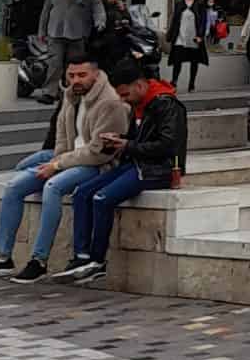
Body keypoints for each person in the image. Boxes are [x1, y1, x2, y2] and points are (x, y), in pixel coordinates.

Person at [0, 59, 129, 284]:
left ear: (96, 74)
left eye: (82, 75)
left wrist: (57, 166)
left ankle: (39, 261)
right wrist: (56, 161)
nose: (76, 81)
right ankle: (2, 258)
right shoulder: (70, 96)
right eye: (71, 75)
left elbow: (99, 152)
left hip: (97, 165)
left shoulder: (110, 102)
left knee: (52, 187)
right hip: (67, 159)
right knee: (15, 186)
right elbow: (62, 137)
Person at [60, 60, 189, 285]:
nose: (123, 100)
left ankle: (97, 261)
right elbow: (135, 140)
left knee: (102, 198)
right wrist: (117, 143)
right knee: (82, 193)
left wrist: (127, 146)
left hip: (159, 169)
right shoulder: (138, 106)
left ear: (139, 85)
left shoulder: (166, 105)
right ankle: (81, 257)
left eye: (126, 94)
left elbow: (168, 145)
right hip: (134, 163)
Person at [37, 0, 104, 99]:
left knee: (74, 67)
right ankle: (50, 92)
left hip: (78, 34)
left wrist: (100, 21)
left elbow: (97, 6)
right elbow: (45, 10)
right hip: (56, 32)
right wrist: (41, 31)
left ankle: (72, 93)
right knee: (55, 64)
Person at [167, 0, 207, 91]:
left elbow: (203, 21)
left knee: (194, 61)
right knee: (177, 60)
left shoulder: (199, 4)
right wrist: (170, 35)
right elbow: (174, 20)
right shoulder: (179, 4)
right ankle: (174, 82)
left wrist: (200, 35)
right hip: (180, 36)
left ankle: (192, 83)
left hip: (193, 37)